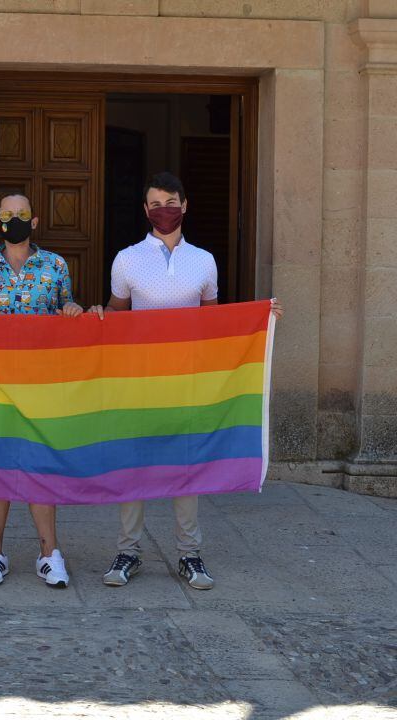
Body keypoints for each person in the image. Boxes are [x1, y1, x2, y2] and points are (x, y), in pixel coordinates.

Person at [89, 171, 282, 591]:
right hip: (139, 378)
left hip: (188, 380)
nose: (164, 210)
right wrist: (99, 317)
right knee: (133, 462)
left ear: (185, 205)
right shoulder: (127, 259)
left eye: (171, 201)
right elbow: (116, 312)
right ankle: (128, 551)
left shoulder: (204, 260)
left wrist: (260, 319)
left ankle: (189, 554)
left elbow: (215, 322)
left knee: (187, 463)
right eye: (156, 203)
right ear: (145, 210)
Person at [0, 194, 83, 589]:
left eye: (22, 215)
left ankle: (49, 555)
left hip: (40, 382)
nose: (15, 219)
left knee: (38, 461)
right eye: (8, 214)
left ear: (35, 222)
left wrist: (73, 311)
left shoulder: (56, 265)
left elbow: (68, 311)